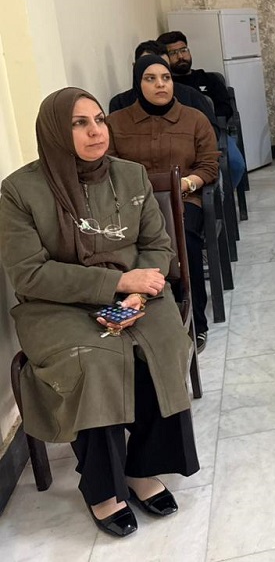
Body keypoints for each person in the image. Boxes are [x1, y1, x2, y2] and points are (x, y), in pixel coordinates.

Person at [0, 88, 198, 537]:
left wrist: (138, 295)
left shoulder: (131, 175)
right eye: (79, 123)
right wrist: (116, 284)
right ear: (55, 131)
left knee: (164, 345)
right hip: (56, 306)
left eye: (99, 120)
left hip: (138, 292)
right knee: (94, 361)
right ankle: (103, 488)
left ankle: (142, 468)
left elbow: (158, 245)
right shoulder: (19, 191)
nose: (95, 131)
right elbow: (30, 274)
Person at [106, 55, 220, 352]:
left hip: (182, 199)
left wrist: (186, 183)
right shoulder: (115, 123)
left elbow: (209, 165)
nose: (160, 84)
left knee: (185, 241)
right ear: (138, 83)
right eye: (151, 78)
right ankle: (132, 317)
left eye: (166, 78)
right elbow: (108, 167)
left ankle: (194, 321)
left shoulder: (194, 119)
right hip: (131, 204)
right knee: (117, 244)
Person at [157, 30, 246, 189]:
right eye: (173, 53)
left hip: (213, 133)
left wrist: (206, 125)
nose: (181, 56)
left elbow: (226, 108)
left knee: (235, 164)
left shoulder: (210, 79)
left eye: (183, 50)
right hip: (177, 138)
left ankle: (223, 199)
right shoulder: (164, 86)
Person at [110, 41, 219, 137]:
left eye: (163, 66)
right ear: (136, 68)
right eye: (148, 66)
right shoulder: (120, 103)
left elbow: (211, 134)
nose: (159, 83)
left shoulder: (190, 95)